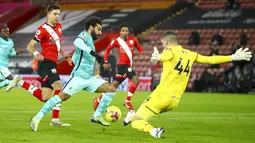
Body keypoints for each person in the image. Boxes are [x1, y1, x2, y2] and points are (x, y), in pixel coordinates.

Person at [122, 31, 252, 138]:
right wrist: (232, 57)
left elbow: (165, 55)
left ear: (166, 43)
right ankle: (128, 118)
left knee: (137, 122)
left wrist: (158, 57)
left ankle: (153, 131)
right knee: (139, 115)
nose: (163, 46)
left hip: (160, 97)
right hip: (174, 101)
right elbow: (209, 59)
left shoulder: (170, 51)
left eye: (163, 44)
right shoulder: (190, 54)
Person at [29, 16, 117, 132]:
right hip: (78, 77)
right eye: (98, 29)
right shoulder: (85, 35)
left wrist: (76, 58)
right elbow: (77, 42)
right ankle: (36, 118)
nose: (100, 32)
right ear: (91, 28)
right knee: (62, 97)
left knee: (111, 89)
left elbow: (78, 53)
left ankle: (97, 115)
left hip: (89, 78)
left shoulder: (91, 42)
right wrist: (94, 54)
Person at [6, 5, 72, 127]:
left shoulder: (59, 27)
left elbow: (58, 45)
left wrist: (65, 55)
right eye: (55, 14)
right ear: (48, 15)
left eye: (58, 14)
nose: (57, 16)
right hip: (45, 62)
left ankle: (20, 83)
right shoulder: (42, 29)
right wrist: (36, 53)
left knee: (44, 97)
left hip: (52, 62)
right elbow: (29, 46)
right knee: (58, 85)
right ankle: (55, 120)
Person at [93, 24, 144, 115]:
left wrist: (142, 52)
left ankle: (98, 99)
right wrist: (105, 61)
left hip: (127, 66)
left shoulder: (133, 40)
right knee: (136, 80)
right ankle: (127, 101)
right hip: (123, 66)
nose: (124, 32)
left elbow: (139, 48)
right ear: (120, 32)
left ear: (128, 32)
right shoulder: (117, 41)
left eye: (126, 31)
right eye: (123, 31)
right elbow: (107, 50)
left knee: (113, 87)